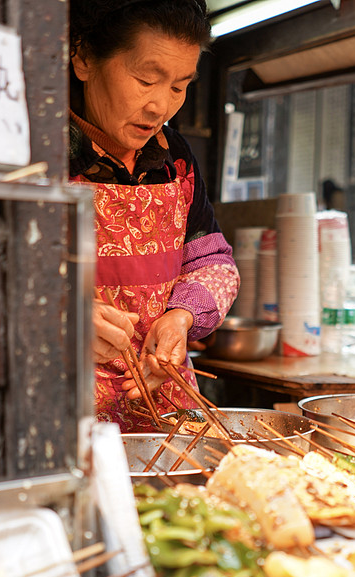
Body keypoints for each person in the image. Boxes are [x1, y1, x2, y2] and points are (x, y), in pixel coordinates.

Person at [69, 0, 239, 431]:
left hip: (167, 414)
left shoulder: (175, 160)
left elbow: (212, 262)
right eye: (146, 80)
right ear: (85, 58)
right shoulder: (34, 155)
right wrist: (62, 312)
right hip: (68, 420)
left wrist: (181, 316)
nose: (160, 106)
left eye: (179, 87)